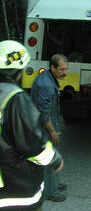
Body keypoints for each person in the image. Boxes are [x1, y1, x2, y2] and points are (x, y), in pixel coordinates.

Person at [0, 40, 64, 211]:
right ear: (19, 71)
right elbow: (33, 145)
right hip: (17, 181)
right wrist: (54, 160)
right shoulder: (16, 99)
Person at [31, 54, 68, 202]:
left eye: (66, 69)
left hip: (48, 125)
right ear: (52, 67)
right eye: (62, 69)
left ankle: (54, 183)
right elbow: (43, 114)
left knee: (52, 154)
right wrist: (52, 132)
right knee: (48, 158)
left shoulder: (49, 78)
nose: (65, 73)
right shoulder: (45, 85)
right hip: (43, 129)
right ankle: (50, 191)